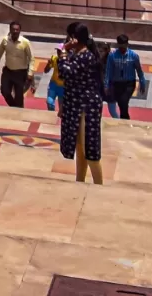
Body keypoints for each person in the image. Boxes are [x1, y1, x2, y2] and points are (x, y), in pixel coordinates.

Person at [58, 22, 105, 183]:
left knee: (89, 150)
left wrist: (63, 52)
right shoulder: (76, 54)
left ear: (75, 39)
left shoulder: (86, 56)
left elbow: (66, 73)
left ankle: (98, 184)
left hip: (86, 108)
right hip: (75, 106)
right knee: (79, 147)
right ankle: (80, 181)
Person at [104, 34, 147, 120]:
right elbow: (108, 71)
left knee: (123, 101)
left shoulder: (133, 56)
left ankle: (124, 120)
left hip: (129, 84)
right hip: (116, 84)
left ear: (127, 44)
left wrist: (142, 82)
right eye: (120, 46)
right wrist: (106, 85)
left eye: (124, 46)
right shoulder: (112, 56)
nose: (122, 49)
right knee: (121, 103)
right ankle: (125, 120)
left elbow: (139, 70)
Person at [0, 22, 34, 108]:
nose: (15, 31)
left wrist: (30, 73)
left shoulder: (25, 42)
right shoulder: (5, 40)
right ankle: (14, 107)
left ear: (20, 31)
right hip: (8, 71)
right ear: (10, 30)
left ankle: (18, 110)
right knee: (4, 91)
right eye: (13, 29)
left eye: (17, 29)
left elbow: (31, 58)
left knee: (19, 97)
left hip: (20, 73)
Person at [46, 21, 79, 114]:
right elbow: (46, 70)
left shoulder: (71, 60)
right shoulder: (55, 58)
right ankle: (51, 117)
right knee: (50, 103)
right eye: (58, 50)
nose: (58, 52)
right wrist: (48, 65)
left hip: (64, 87)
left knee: (62, 109)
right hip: (54, 84)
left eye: (60, 51)